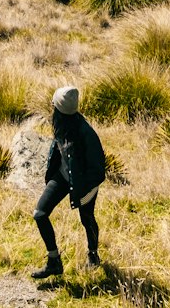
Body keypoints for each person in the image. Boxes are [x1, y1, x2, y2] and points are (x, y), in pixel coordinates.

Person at [32, 84, 106, 279]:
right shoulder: (61, 123)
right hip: (63, 177)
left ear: (58, 109)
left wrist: (84, 192)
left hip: (84, 184)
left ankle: (93, 255)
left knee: (87, 218)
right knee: (40, 214)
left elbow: (98, 171)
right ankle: (54, 261)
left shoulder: (86, 133)